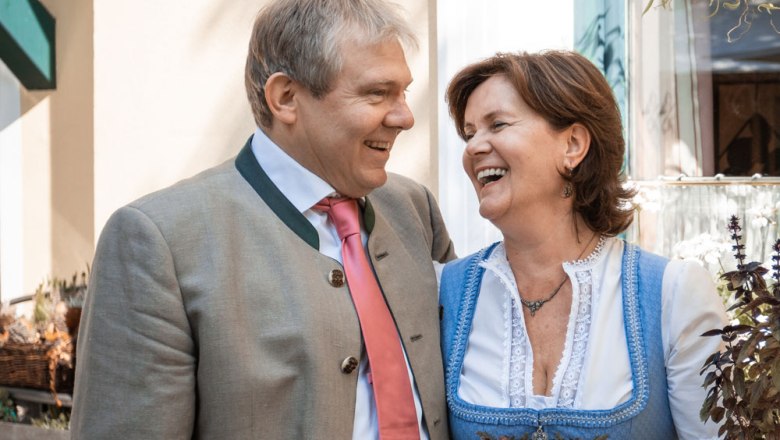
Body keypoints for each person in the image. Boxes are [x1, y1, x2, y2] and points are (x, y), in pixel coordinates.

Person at [70, 0, 455, 438]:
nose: (404, 116)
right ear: (286, 98)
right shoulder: (159, 240)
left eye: (403, 92)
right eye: (377, 93)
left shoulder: (414, 209)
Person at [438, 50, 728, 439]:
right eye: (470, 133)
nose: (473, 148)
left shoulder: (672, 295)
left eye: (498, 125)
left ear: (573, 145)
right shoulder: (445, 293)